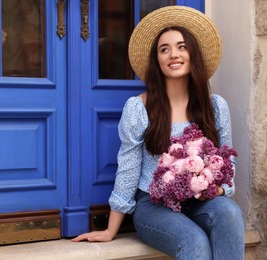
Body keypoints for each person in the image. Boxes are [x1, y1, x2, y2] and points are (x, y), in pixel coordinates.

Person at [72, 6, 244, 260]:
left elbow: (227, 160)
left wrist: (218, 189)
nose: (173, 54)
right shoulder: (139, 108)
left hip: (200, 201)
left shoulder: (215, 106)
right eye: (164, 49)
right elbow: (128, 169)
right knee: (194, 241)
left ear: (193, 53)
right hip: (153, 206)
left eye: (181, 46)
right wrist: (111, 229)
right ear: (157, 60)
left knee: (229, 212)